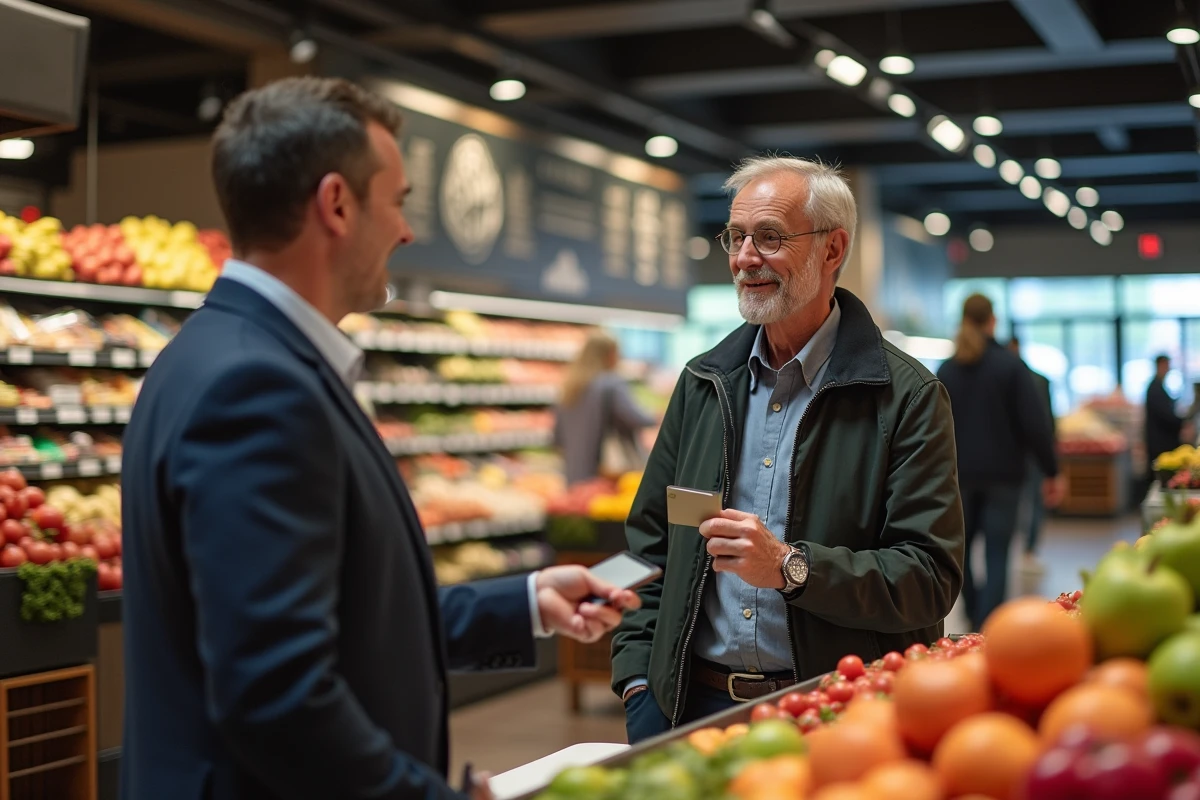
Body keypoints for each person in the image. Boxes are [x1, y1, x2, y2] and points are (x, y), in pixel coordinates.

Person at [119, 77, 640, 800]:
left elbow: (334, 615)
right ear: (336, 204)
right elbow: (279, 697)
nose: (406, 232)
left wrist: (520, 602)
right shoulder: (256, 388)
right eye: (397, 202)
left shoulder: (209, 352)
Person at [611, 156, 965, 744]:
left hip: (837, 715)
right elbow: (648, 547)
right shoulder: (704, 384)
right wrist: (638, 685)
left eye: (770, 237)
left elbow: (929, 577)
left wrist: (790, 567)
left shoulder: (907, 397)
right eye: (736, 236)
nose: (745, 257)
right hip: (690, 712)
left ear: (832, 251)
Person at [937, 296, 1061, 632]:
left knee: (958, 554)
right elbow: (1035, 424)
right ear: (993, 321)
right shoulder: (1010, 367)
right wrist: (1051, 470)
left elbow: (934, 428)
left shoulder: (947, 369)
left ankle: (975, 610)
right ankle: (988, 627)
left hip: (958, 477)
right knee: (997, 554)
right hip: (1005, 477)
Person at [555, 330, 657, 485]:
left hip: (574, 469)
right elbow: (633, 416)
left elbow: (557, 436)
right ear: (609, 354)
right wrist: (655, 416)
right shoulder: (611, 383)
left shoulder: (570, 386)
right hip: (606, 469)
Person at [1006, 336, 1055, 586]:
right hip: (1023, 454)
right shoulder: (1034, 379)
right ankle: (1027, 550)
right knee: (1029, 502)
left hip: (1020, 453)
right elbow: (1045, 423)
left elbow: (1045, 422)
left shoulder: (1031, 380)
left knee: (1029, 502)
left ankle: (1026, 550)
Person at [1146, 354, 1186, 472]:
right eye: (1166, 365)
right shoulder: (1155, 388)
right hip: (1159, 442)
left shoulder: (1158, 386)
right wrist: (1183, 421)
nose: (1168, 369)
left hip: (1160, 440)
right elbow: (1165, 415)